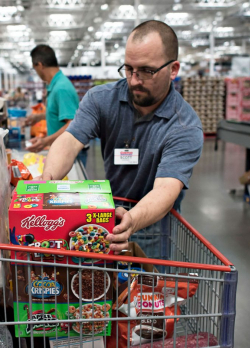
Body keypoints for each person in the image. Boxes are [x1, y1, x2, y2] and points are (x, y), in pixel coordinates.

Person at [39, 21, 203, 256]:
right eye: (128, 69)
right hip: (109, 217)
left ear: (173, 69)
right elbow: (70, 139)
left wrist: (131, 221)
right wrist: (48, 178)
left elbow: (166, 189)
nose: (135, 80)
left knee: (148, 287)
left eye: (147, 71)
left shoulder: (184, 126)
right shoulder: (101, 99)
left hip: (153, 228)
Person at [26, 45, 88, 165]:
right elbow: (59, 113)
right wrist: (37, 117)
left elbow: (73, 124)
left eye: (35, 68)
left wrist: (45, 141)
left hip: (69, 153)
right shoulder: (55, 85)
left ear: (40, 65)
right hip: (62, 150)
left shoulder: (61, 88)